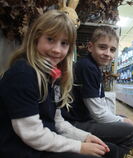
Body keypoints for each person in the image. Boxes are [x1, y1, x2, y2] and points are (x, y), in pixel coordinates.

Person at [0, 10, 119, 158]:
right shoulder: (23, 74)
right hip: (22, 150)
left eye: (64, 43)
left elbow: (57, 121)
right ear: (36, 38)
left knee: (111, 151)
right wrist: (79, 147)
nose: (57, 50)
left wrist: (84, 137)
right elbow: (32, 134)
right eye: (50, 39)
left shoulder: (51, 76)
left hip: (43, 141)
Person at [62, 26, 133, 158]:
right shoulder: (87, 67)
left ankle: (107, 148)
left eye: (112, 49)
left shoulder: (93, 67)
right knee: (131, 132)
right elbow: (98, 114)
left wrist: (120, 120)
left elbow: (101, 106)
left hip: (84, 119)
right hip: (74, 123)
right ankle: (110, 152)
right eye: (102, 47)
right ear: (90, 47)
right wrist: (123, 122)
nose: (108, 53)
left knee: (123, 120)